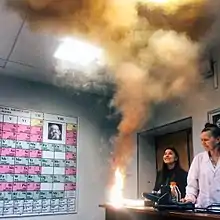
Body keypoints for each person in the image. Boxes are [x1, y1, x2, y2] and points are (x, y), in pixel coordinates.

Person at [182, 123, 220, 207]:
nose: (203, 143)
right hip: (203, 208)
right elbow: (192, 185)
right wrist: (189, 199)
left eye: (206, 140)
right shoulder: (199, 159)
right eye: (201, 140)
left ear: (217, 139)